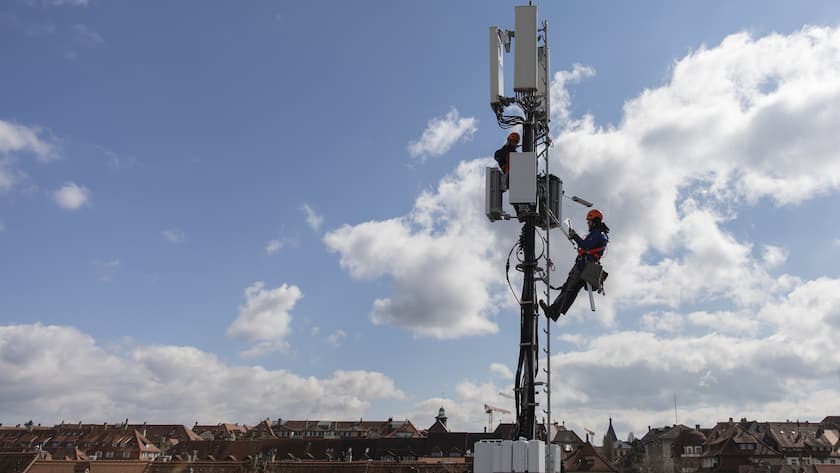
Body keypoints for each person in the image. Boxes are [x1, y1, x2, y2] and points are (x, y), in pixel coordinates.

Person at [540, 209, 610, 321]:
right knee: (568, 288)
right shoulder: (600, 234)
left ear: (595, 221)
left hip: (584, 266)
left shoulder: (598, 234)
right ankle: (553, 311)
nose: (588, 223)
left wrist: (574, 236)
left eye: (589, 221)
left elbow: (585, 245)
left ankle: (553, 311)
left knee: (570, 289)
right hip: (584, 265)